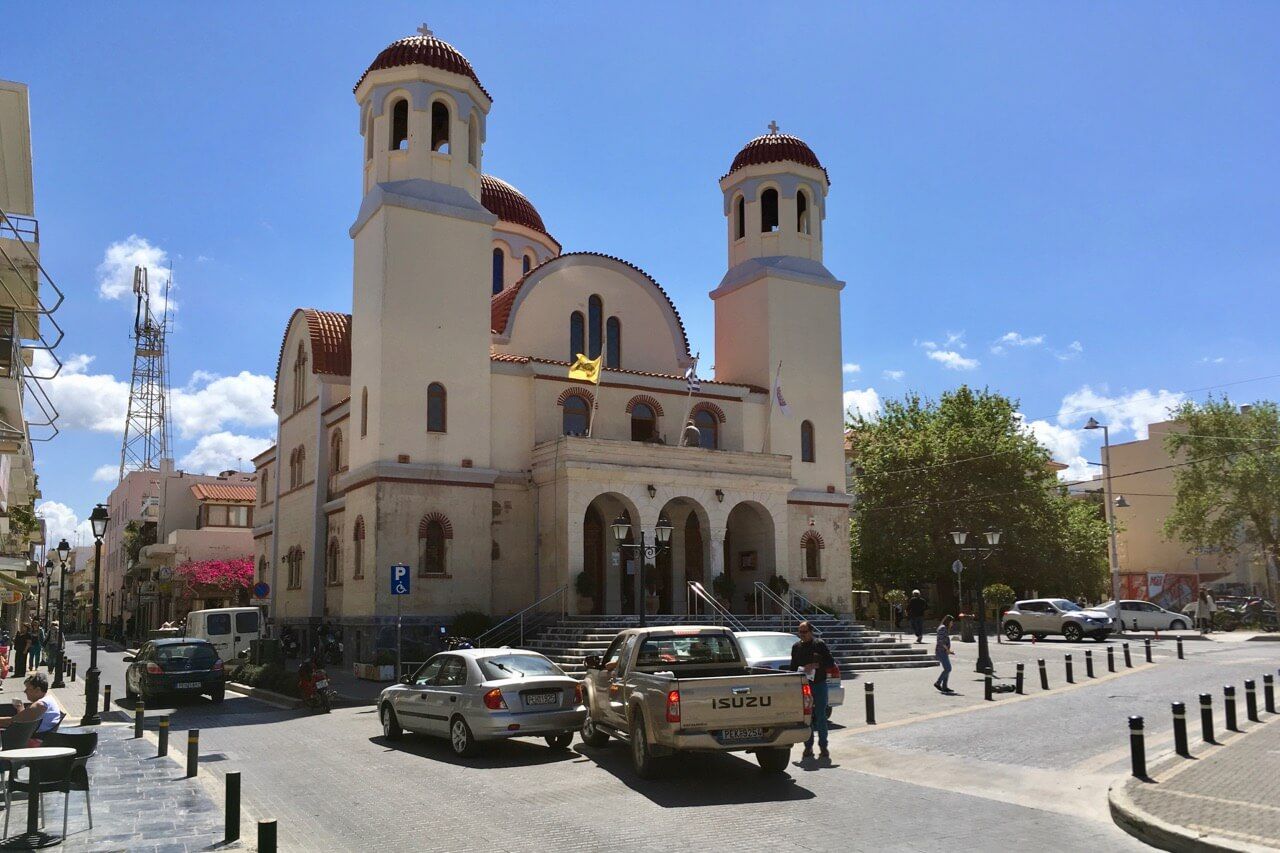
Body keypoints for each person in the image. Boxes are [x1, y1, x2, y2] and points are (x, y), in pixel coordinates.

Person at [788, 620, 836, 760]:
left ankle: (823, 746)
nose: (802, 634)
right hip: (805, 686)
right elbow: (793, 667)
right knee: (807, 717)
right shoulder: (796, 647)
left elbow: (830, 662)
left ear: (811, 632)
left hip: (819, 684)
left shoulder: (819, 644)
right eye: (800, 632)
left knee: (821, 716)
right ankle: (808, 747)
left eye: (804, 632)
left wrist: (814, 665)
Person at [0, 673, 65, 745]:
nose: (25, 691)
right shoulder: (49, 699)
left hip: (35, 741)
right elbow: (24, 721)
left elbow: (12, 722)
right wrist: (20, 709)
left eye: (28, 688)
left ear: (37, 690)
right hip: (42, 738)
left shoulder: (39, 705)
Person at [933, 615, 956, 693]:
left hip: (943, 651)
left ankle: (944, 687)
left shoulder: (943, 628)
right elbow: (941, 641)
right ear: (948, 621)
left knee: (947, 669)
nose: (952, 624)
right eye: (951, 622)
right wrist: (947, 650)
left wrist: (948, 650)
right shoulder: (943, 628)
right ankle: (938, 683)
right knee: (948, 669)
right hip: (941, 651)